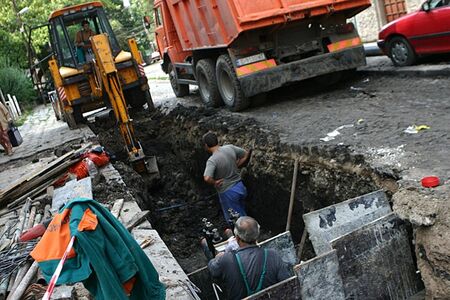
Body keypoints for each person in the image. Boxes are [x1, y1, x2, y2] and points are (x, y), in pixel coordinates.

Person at [208, 217, 291, 299]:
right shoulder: (272, 255)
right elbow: (287, 283)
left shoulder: (227, 259)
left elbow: (213, 270)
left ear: (237, 238)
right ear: (257, 236)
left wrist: (217, 258)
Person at [203, 132, 251, 224]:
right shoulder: (230, 148)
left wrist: (215, 182)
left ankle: (245, 236)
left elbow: (207, 178)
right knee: (242, 213)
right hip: (240, 187)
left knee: (236, 221)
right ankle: (250, 232)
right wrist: (238, 166)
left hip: (228, 192)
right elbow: (246, 154)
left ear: (206, 145)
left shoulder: (212, 160)